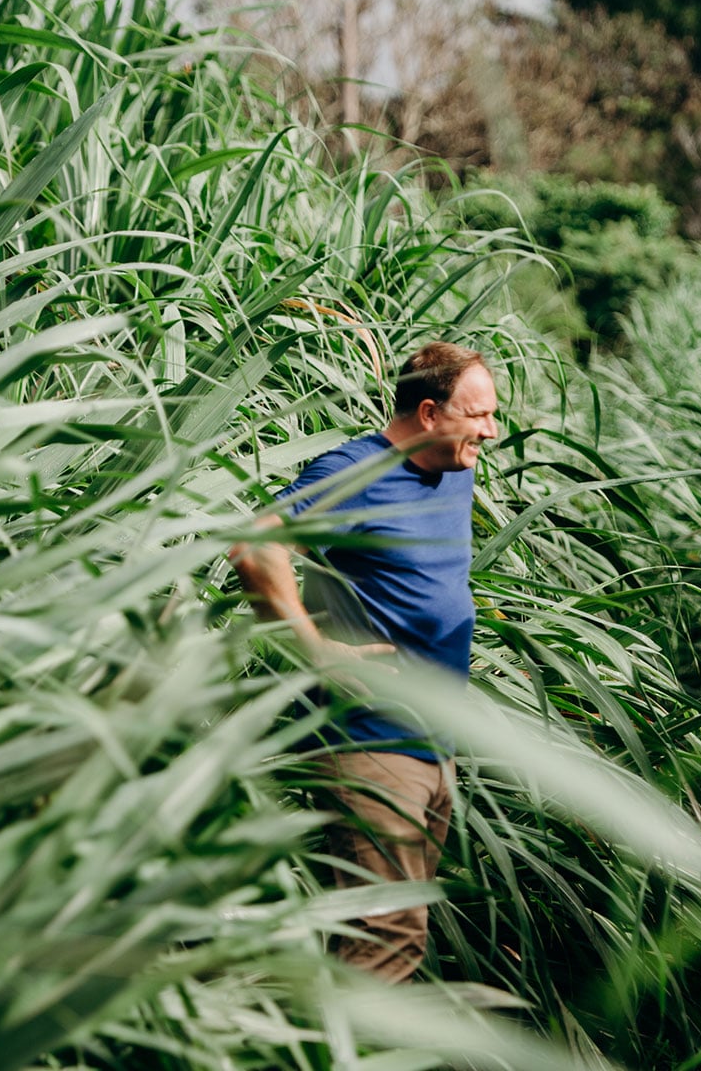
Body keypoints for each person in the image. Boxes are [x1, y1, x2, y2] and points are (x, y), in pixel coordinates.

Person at [228, 340, 499, 982]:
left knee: (385, 935)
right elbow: (253, 544)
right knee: (385, 945)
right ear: (429, 413)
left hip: (433, 746)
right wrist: (314, 647)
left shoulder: (453, 468)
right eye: (479, 414)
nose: (491, 431)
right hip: (372, 743)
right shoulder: (353, 473)